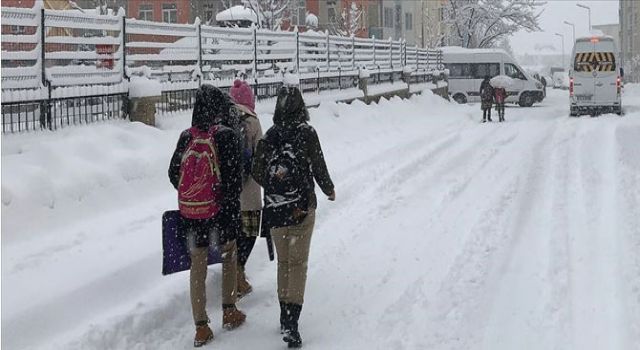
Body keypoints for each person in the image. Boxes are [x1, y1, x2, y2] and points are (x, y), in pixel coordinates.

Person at [252, 85, 335, 348]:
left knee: (284, 264)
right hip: (301, 208)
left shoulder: (270, 135)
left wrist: (273, 183)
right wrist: (328, 188)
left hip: (276, 210)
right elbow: (318, 164)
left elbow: (256, 170)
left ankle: (283, 315)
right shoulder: (307, 133)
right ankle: (292, 321)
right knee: (298, 265)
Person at [168, 85, 246, 347]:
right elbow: (236, 179)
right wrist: (223, 200)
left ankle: (201, 326)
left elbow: (172, 174)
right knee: (228, 256)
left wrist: (194, 193)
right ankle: (228, 310)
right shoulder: (225, 135)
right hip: (221, 212)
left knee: (197, 266)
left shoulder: (186, 137)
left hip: (192, 214)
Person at [229, 79, 263, 298]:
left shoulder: (221, 119)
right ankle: (238, 273)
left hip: (228, 192)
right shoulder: (252, 121)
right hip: (249, 191)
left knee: (232, 235)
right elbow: (261, 154)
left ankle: (231, 274)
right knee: (248, 233)